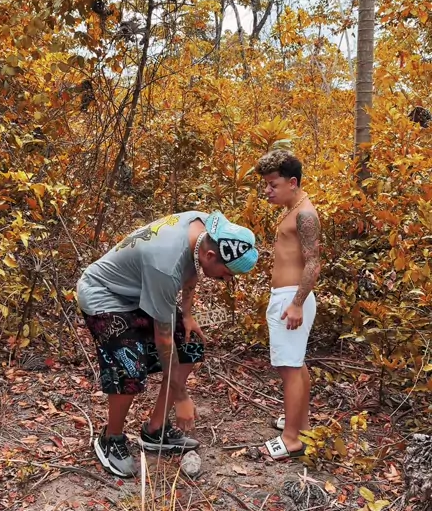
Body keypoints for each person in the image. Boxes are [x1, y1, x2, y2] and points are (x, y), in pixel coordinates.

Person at [77, 210, 258, 478]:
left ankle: (155, 430)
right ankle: (110, 438)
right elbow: (163, 340)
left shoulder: (205, 227)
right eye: (227, 273)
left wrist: (187, 315)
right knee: (130, 363)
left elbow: (192, 267)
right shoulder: (165, 264)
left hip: (141, 291)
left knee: (189, 344)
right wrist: (182, 397)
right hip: (105, 294)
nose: (228, 279)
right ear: (211, 256)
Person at [255, 150, 320, 461]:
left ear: (292, 183)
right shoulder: (292, 209)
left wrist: (296, 304)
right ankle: (300, 424)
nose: (267, 190)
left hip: (292, 298)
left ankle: (291, 439)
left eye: (273, 185)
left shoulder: (305, 214)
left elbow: (314, 263)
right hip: (287, 296)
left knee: (289, 368)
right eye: (266, 184)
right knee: (295, 364)